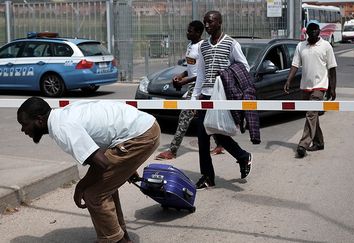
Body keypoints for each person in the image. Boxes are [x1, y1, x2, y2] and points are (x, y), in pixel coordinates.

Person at [17, 97, 160, 243]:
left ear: (39, 120)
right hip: (143, 127)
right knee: (103, 186)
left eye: (24, 124)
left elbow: (101, 163)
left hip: (140, 135)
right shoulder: (62, 115)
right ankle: (119, 236)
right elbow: (101, 146)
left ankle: (116, 240)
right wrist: (124, 168)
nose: (23, 130)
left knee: (93, 194)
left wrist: (80, 187)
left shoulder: (62, 128)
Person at [191, 10, 252, 189]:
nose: (207, 25)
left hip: (223, 95)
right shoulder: (203, 46)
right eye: (205, 22)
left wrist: (227, 74)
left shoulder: (231, 44)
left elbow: (244, 67)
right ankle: (208, 176)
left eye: (210, 22)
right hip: (206, 95)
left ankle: (242, 156)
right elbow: (200, 74)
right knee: (203, 135)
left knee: (218, 133)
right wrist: (195, 97)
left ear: (219, 23)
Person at [155, 20, 224, 160]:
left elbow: (204, 71)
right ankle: (220, 144)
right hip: (192, 85)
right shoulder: (190, 46)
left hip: (200, 86)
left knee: (184, 117)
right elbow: (191, 68)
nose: (187, 33)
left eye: (190, 31)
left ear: (198, 33)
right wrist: (180, 76)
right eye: (188, 30)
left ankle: (172, 151)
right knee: (206, 117)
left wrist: (187, 81)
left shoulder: (202, 47)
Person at [283, 20, 337, 159]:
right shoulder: (301, 46)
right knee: (312, 116)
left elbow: (332, 68)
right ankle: (319, 142)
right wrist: (288, 80)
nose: (313, 33)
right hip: (305, 86)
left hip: (320, 86)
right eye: (310, 31)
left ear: (319, 31)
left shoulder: (326, 46)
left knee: (311, 114)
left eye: (315, 31)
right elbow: (295, 65)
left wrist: (332, 88)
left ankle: (303, 145)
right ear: (306, 32)